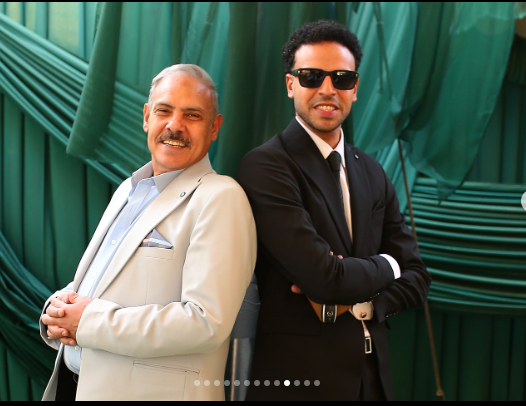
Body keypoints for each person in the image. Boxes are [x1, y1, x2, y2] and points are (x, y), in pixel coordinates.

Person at [236, 19, 431, 401]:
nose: (327, 89)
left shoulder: (372, 171)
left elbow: (418, 277)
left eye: (342, 78)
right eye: (312, 76)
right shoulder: (266, 166)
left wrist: (368, 305)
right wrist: (389, 266)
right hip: (299, 383)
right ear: (290, 84)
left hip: (373, 382)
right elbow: (325, 278)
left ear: (355, 89)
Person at [40, 64, 257, 401]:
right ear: (146, 117)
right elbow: (104, 282)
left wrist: (88, 322)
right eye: (164, 111)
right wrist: (57, 309)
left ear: (214, 127)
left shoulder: (221, 197)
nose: (175, 125)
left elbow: (205, 322)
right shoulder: (128, 190)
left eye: (192, 115)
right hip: (76, 387)